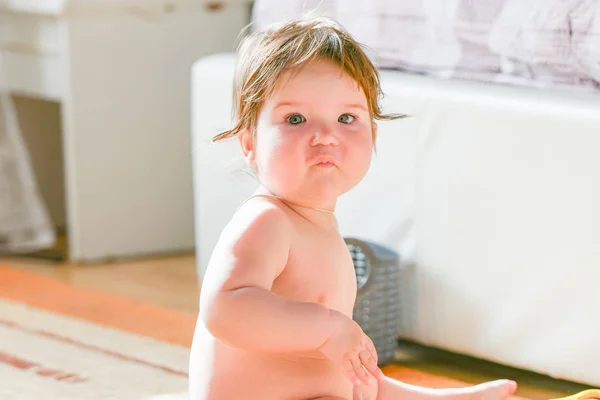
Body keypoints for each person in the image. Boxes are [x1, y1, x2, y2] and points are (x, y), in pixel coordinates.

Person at [189, 16, 518, 400]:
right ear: (249, 144)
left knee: (365, 380)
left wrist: (338, 344)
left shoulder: (316, 225)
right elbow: (225, 309)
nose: (326, 135)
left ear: (372, 134)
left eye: (347, 118)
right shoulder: (266, 220)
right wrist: (326, 327)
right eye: (295, 118)